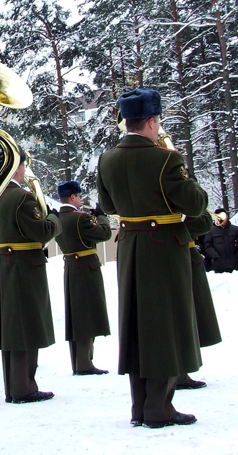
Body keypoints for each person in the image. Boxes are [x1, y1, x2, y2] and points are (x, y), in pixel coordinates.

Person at [96, 87, 207, 429]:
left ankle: (140, 407)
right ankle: (159, 407)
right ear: (151, 121)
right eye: (158, 121)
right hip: (164, 248)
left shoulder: (107, 159)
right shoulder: (166, 159)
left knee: (138, 325)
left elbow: (109, 206)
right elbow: (195, 204)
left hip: (130, 244)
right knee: (165, 325)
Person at [0, 153, 60, 405]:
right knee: (26, 327)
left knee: (12, 329)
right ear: (15, 168)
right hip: (26, 266)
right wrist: (54, 219)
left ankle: (14, 386)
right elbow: (42, 232)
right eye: (22, 166)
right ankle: (24, 388)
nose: (24, 171)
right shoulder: (21, 197)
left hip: (5, 265)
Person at [55, 181, 112, 376]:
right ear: (72, 197)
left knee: (76, 315)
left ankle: (79, 361)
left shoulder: (59, 218)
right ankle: (84, 363)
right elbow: (104, 234)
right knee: (86, 315)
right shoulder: (80, 218)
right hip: (86, 268)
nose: (80, 200)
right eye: (79, 196)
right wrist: (102, 217)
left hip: (71, 267)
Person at [177, 212, 222, 390]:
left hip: (182, 256)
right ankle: (179, 373)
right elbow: (203, 223)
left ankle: (180, 372)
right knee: (183, 318)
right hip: (180, 258)